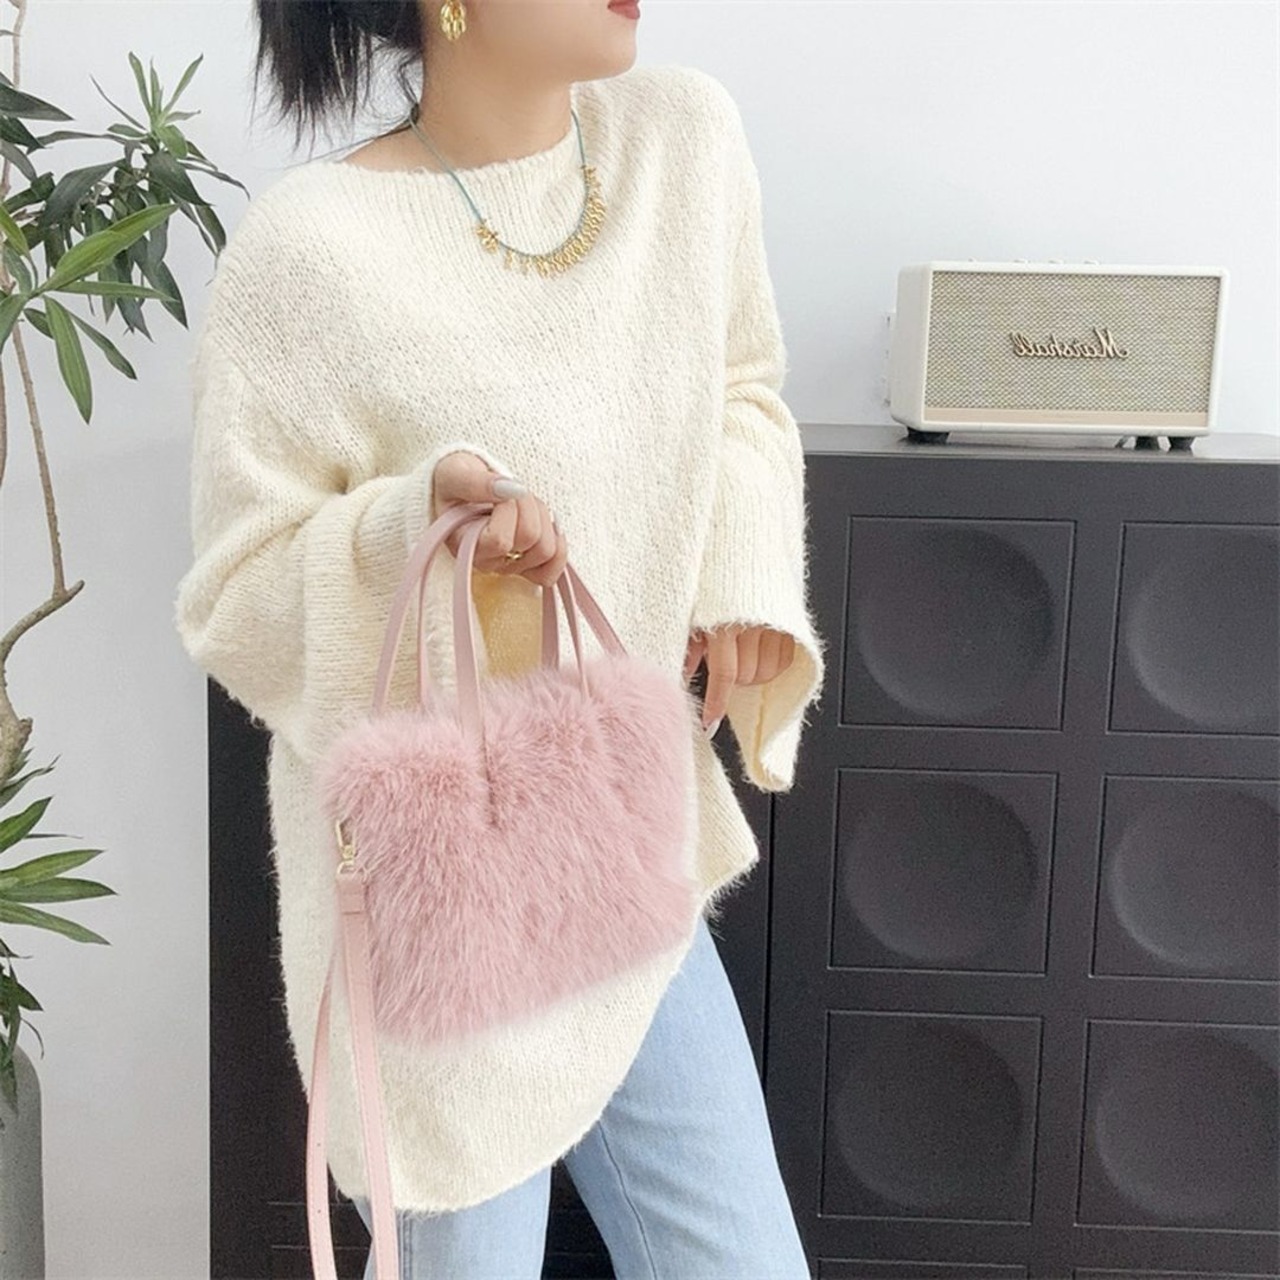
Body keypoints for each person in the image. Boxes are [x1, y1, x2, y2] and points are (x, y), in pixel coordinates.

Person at [175, 0, 827, 1275]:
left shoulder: (679, 142)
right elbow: (236, 592)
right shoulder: (306, 252)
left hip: (623, 845)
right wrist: (420, 532)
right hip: (443, 901)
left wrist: (740, 578)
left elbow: (741, 387)